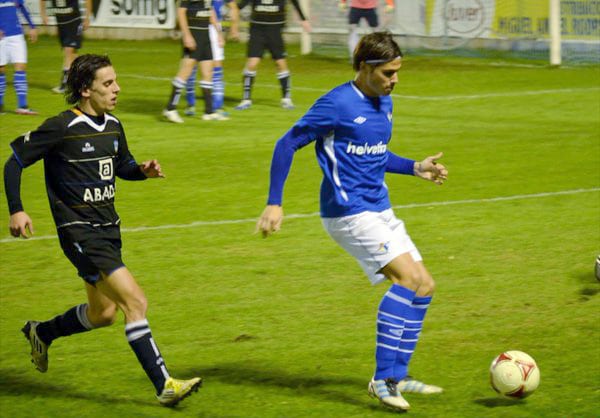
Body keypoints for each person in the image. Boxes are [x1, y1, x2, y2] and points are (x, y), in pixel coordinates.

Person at [256, 32, 447, 412]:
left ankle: (398, 374)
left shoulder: (385, 102)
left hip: (380, 208)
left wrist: (414, 168)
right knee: (406, 279)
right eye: (388, 73)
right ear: (365, 67)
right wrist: (274, 203)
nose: (395, 80)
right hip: (348, 212)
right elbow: (286, 143)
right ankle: (380, 381)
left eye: (397, 72)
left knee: (424, 285)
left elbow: (374, 152)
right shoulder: (336, 103)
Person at [3, 54, 201, 406]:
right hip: (79, 232)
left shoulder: (113, 125)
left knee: (103, 314)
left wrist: (142, 170)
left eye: (115, 81)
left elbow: (122, 164)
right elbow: (14, 162)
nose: (117, 88)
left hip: (109, 231)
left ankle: (41, 332)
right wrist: (17, 210)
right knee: (135, 302)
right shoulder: (61, 127)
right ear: (84, 90)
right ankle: (165, 386)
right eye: (107, 83)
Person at [234, 0, 311, 110]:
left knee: (281, 64)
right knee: (252, 64)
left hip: (275, 30)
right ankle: (246, 100)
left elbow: (295, 2)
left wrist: (303, 19)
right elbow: (237, 7)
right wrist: (235, 27)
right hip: (257, 30)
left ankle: (286, 99)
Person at [163, 0, 227, 123]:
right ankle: (170, 108)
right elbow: (181, 12)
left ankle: (209, 112)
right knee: (185, 71)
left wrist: (219, 33)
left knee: (208, 73)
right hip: (193, 33)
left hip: (205, 35)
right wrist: (186, 35)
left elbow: (210, 10)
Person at [184, 0, 240, 116]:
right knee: (191, 67)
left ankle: (217, 106)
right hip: (196, 25)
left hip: (214, 28)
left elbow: (233, 7)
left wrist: (234, 27)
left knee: (217, 67)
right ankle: (191, 104)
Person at [40, 0, 92, 94]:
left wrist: (87, 18)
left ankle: (65, 84)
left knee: (69, 51)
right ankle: (79, 82)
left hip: (74, 22)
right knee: (73, 54)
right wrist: (43, 14)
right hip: (61, 24)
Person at [0, 0, 38, 115]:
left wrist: (32, 26)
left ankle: (22, 106)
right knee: (1, 69)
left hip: (16, 34)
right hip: (1, 37)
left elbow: (22, 8)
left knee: (21, 67)